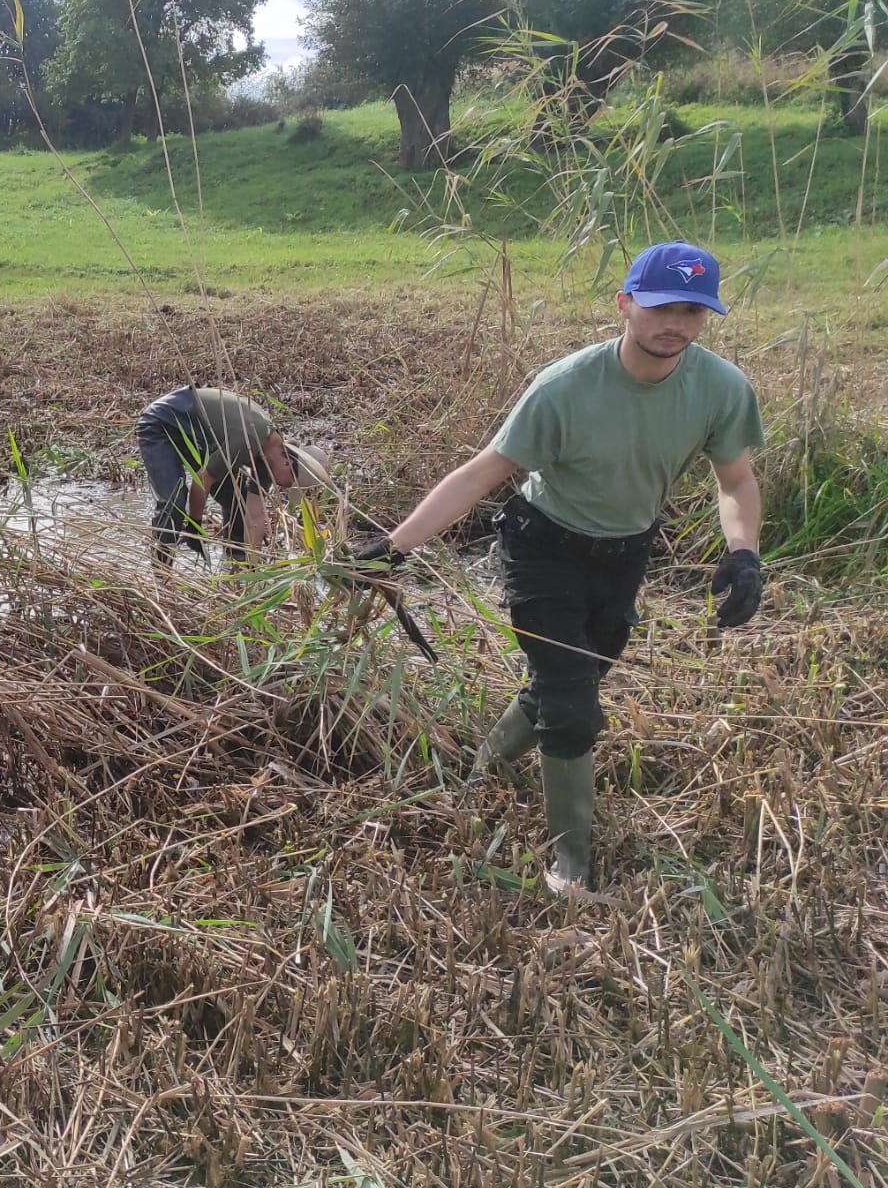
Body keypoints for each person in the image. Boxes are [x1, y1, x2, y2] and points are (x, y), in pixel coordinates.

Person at [352, 241, 764, 897]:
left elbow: (735, 481)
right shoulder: (565, 387)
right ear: (625, 303)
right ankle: (570, 863)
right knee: (572, 707)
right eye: (661, 306)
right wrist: (395, 547)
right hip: (544, 548)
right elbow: (485, 471)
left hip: (625, 553)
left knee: (568, 681)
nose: (675, 324)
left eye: (692, 311)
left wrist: (744, 554)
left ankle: (482, 768)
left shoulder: (720, 389)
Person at [137, 384, 327, 566]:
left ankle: (236, 564)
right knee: (173, 502)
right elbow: (202, 480)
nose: (283, 488)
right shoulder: (250, 439)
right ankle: (162, 575)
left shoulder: (269, 458)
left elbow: (255, 515)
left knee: (238, 502)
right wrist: (195, 525)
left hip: (200, 438)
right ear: (287, 462)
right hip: (163, 422)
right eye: (289, 484)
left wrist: (253, 564)